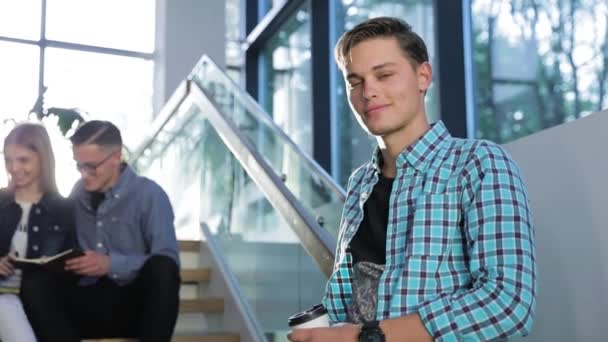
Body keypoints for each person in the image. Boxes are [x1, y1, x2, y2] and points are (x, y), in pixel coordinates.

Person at [289, 17, 537, 342]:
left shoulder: (478, 164)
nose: (368, 91)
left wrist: (365, 336)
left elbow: (508, 304)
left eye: (384, 75)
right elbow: (350, 302)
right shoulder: (360, 183)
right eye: (355, 81)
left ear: (423, 76)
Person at [21, 120, 181, 342]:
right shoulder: (78, 192)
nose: (84, 174)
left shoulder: (150, 195)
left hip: (133, 306)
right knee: (35, 283)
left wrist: (109, 264)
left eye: (91, 166)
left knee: (164, 269)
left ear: (116, 158)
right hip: (87, 303)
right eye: (79, 165)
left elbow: (168, 258)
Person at [0, 123, 77, 342]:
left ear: (43, 159)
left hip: (41, 301)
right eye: (8, 160)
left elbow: (72, 268)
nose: (14, 168)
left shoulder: (63, 210)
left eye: (23, 160)